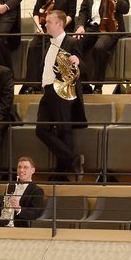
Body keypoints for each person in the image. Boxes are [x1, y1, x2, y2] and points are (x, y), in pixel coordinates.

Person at [35, 11, 87, 177]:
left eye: (49, 22)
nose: (45, 24)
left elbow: (83, 67)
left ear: (59, 24)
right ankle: (72, 159)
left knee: (64, 130)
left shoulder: (71, 42)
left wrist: (78, 62)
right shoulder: (49, 43)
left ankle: (61, 172)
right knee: (41, 130)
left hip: (63, 91)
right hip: (48, 90)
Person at [73, 0, 130, 93]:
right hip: (92, 26)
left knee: (99, 48)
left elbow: (126, 8)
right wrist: (80, 25)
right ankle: (84, 84)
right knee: (73, 44)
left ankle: (98, 86)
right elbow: (84, 10)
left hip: (111, 27)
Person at [23, 0, 78, 92]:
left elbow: (71, 13)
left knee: (52, 49)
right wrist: (38, 26)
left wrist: (59, 27)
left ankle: (55, 82)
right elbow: (36, 11)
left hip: (62, 29)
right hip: (45, 28)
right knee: (33, 47)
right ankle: (32, 84)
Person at [0, 156, 45, 227]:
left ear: (33, 170)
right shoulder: (11, 187)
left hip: (18, 225)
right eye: (19, 167)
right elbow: (0, 207)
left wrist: (19, 209)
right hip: (2, 222)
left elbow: (34, 214)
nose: (21, 170)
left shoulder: (37, 191)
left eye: (25, 167)